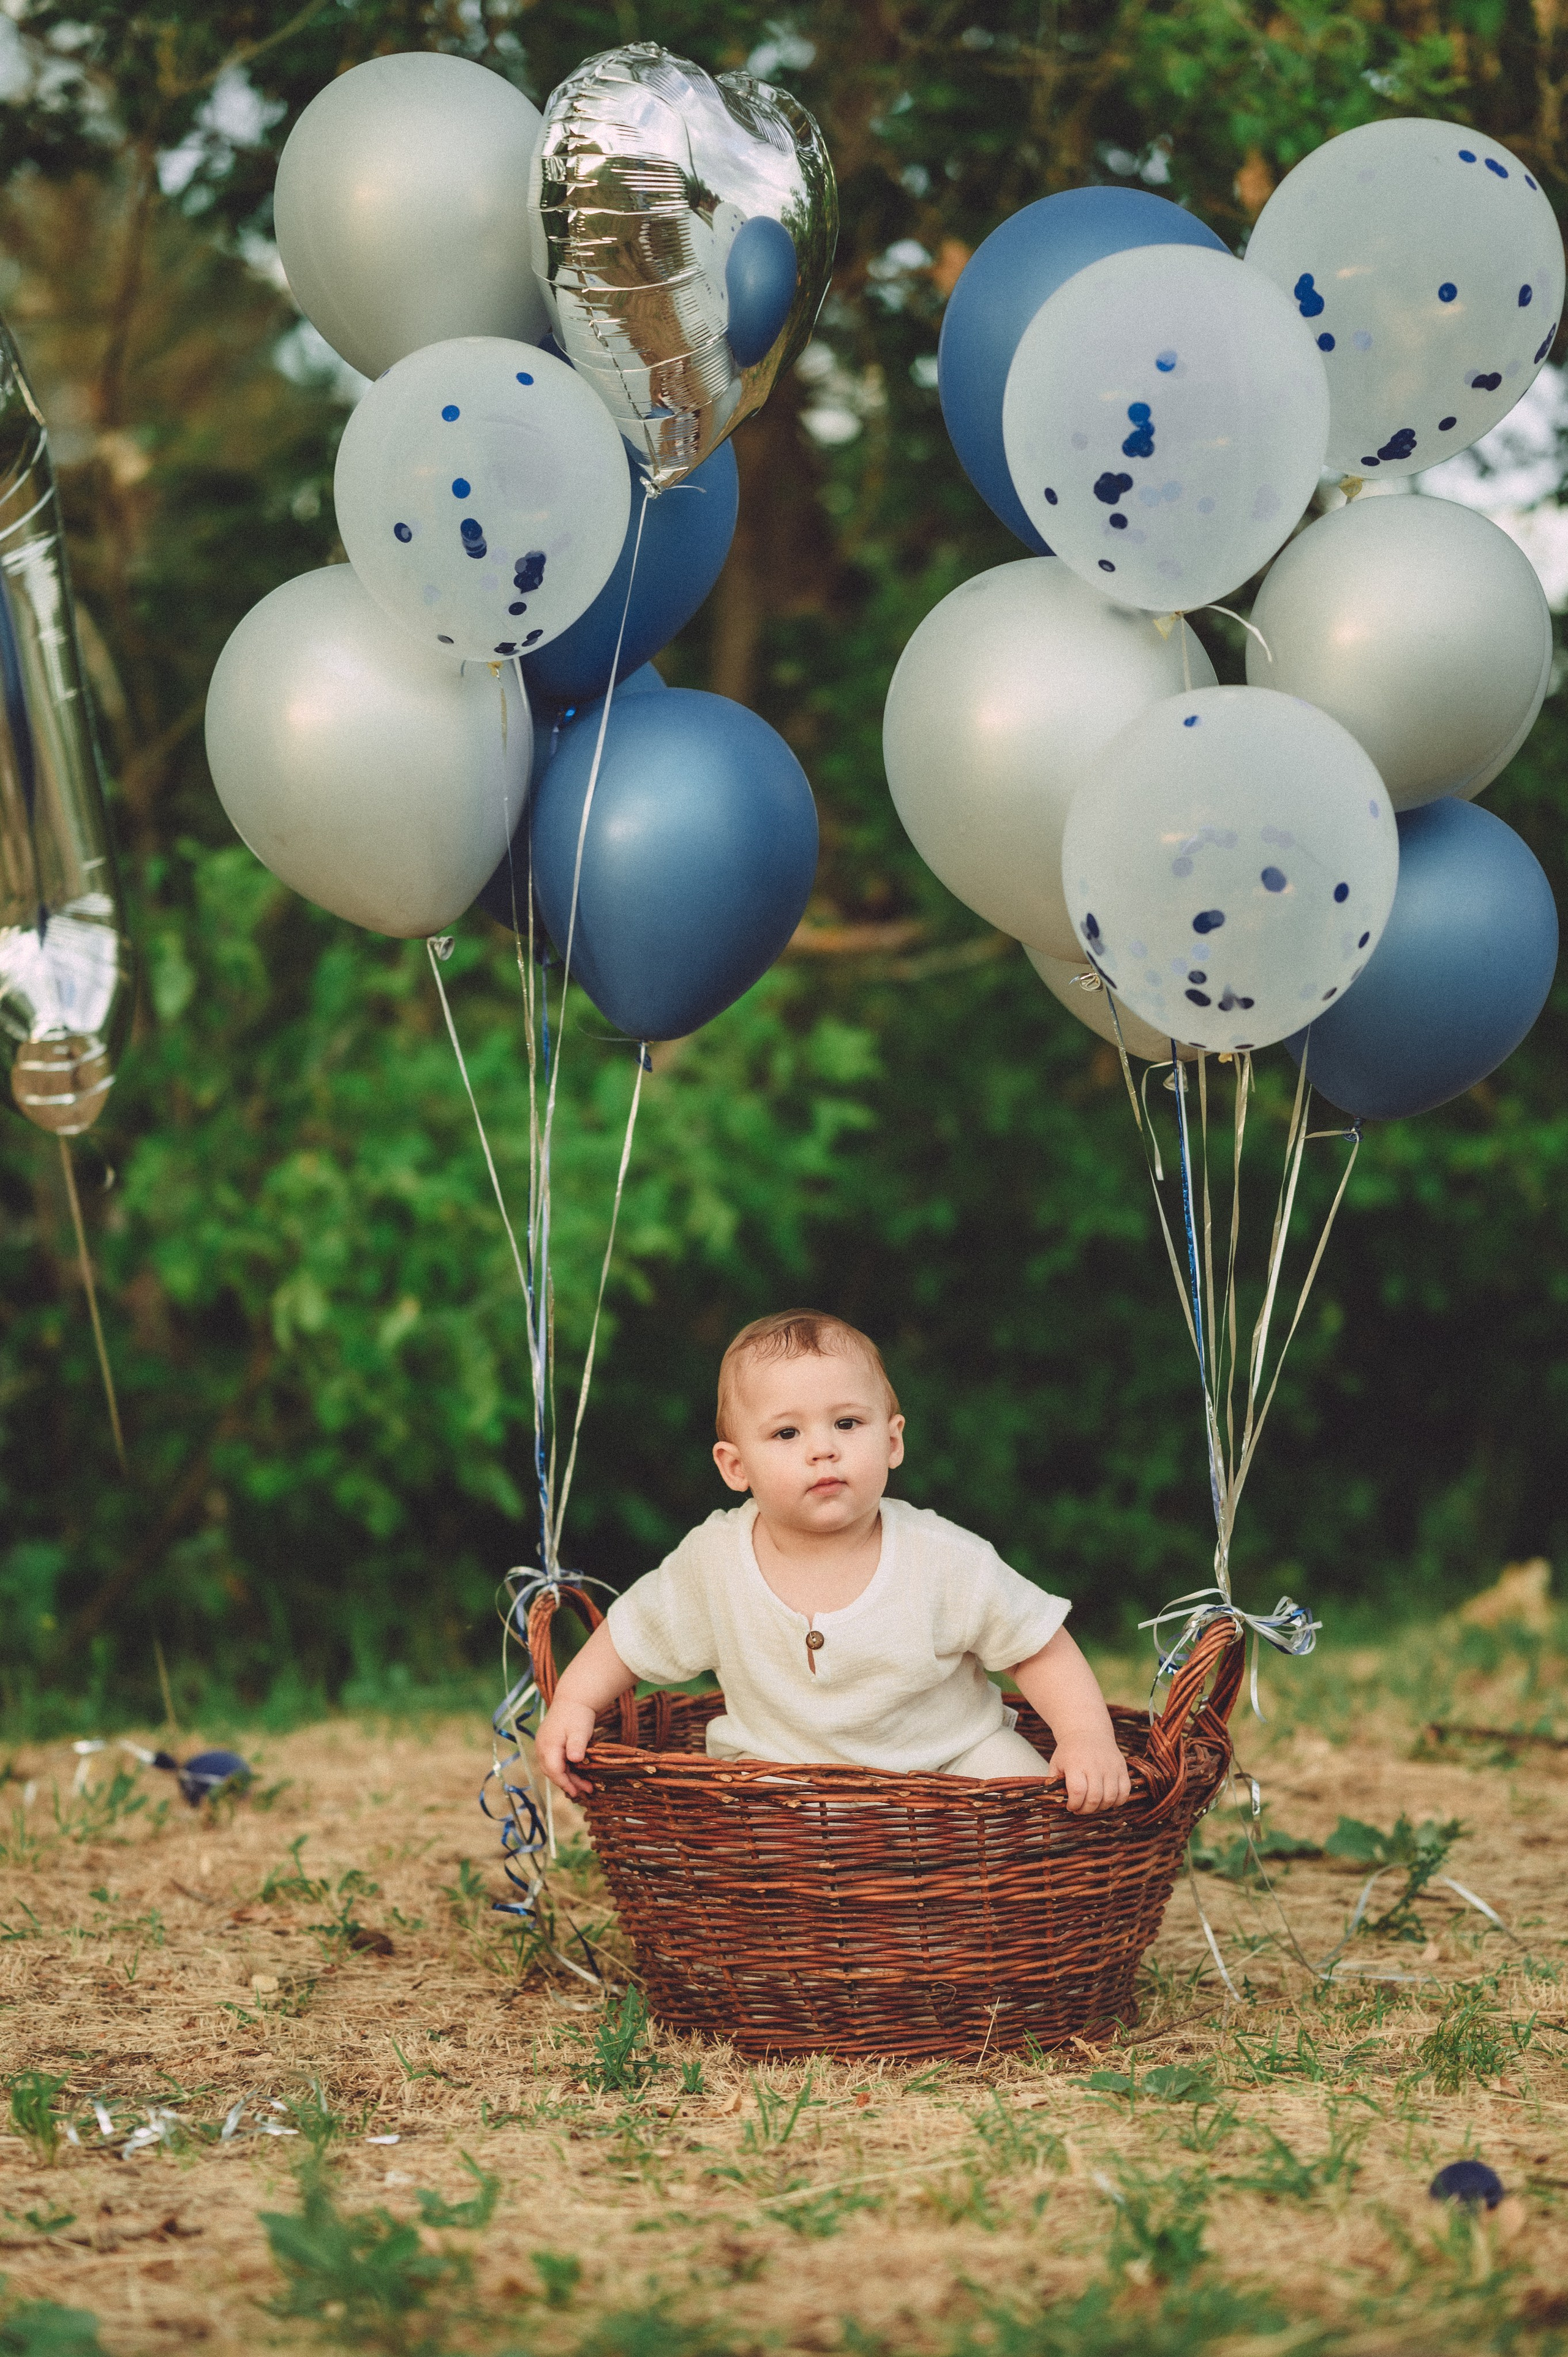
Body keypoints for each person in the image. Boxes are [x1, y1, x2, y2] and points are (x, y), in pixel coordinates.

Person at [535, 1309, 1131, 1812]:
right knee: (731, 1823)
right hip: (782, 1777)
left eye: (847, 1422)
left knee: (1022, 1791)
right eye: (786, 1434)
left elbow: (1037, 1642)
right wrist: (575, 1703)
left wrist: (1083, 1736)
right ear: (734, 1466)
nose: (823, 1448)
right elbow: (632, 1632)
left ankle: (981, 1925)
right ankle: (800, 1935)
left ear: (892, 1441)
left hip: (950, 1761)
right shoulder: (713, 1560)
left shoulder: (944, 1556)